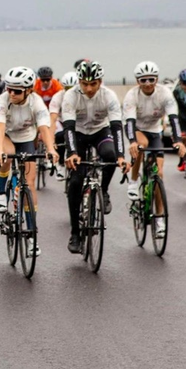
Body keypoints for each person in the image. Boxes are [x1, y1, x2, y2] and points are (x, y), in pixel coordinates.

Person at [0, 66, 58, 257]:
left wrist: (51, 149)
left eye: (17, 91)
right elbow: (0, 128)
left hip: (26, 137)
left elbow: (44, 128)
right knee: (8, 153)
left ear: (28, 90)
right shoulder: (3, 101)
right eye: (9, 89)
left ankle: (31, 235)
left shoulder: (36, 102)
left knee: (29, 183)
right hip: (4, 135)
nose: (11, 93)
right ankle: (1, 192)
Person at [62, 60, 125, 254]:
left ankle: (103, 190)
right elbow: (68, 128)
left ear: (100, 82)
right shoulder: (70, 96)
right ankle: (75, 233)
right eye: (85, 84)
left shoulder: (109, 96)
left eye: (93, 84)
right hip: (78, 134)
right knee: (75, 183)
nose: (89, 88)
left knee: (110, 156)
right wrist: (72, 153)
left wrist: (121, 155)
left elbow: (116, 127)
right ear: (79, 82)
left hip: (100, 131)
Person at [122, 61, 185, 237]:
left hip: (155, 131)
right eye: (143, 80)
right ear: (138, 81)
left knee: (159, 174)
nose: (148, 83)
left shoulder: (165, 94)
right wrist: (132, 141)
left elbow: (174, 119)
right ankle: (134, 181)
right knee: (141, 145)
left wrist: (178, 141)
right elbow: (129, 122)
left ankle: (159, 218)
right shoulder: (132, 95)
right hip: (136, 129)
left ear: (156, 79)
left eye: (151, 79)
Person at [49, 71, 78, 179]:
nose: (70, 91)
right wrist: (51, 141)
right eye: (67, 88)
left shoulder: (82, 96)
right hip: (62, 122)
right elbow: (52, 119)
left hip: (78, 123)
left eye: (73, 88)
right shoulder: (57, 97)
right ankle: (60, 164)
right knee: (60, 137)